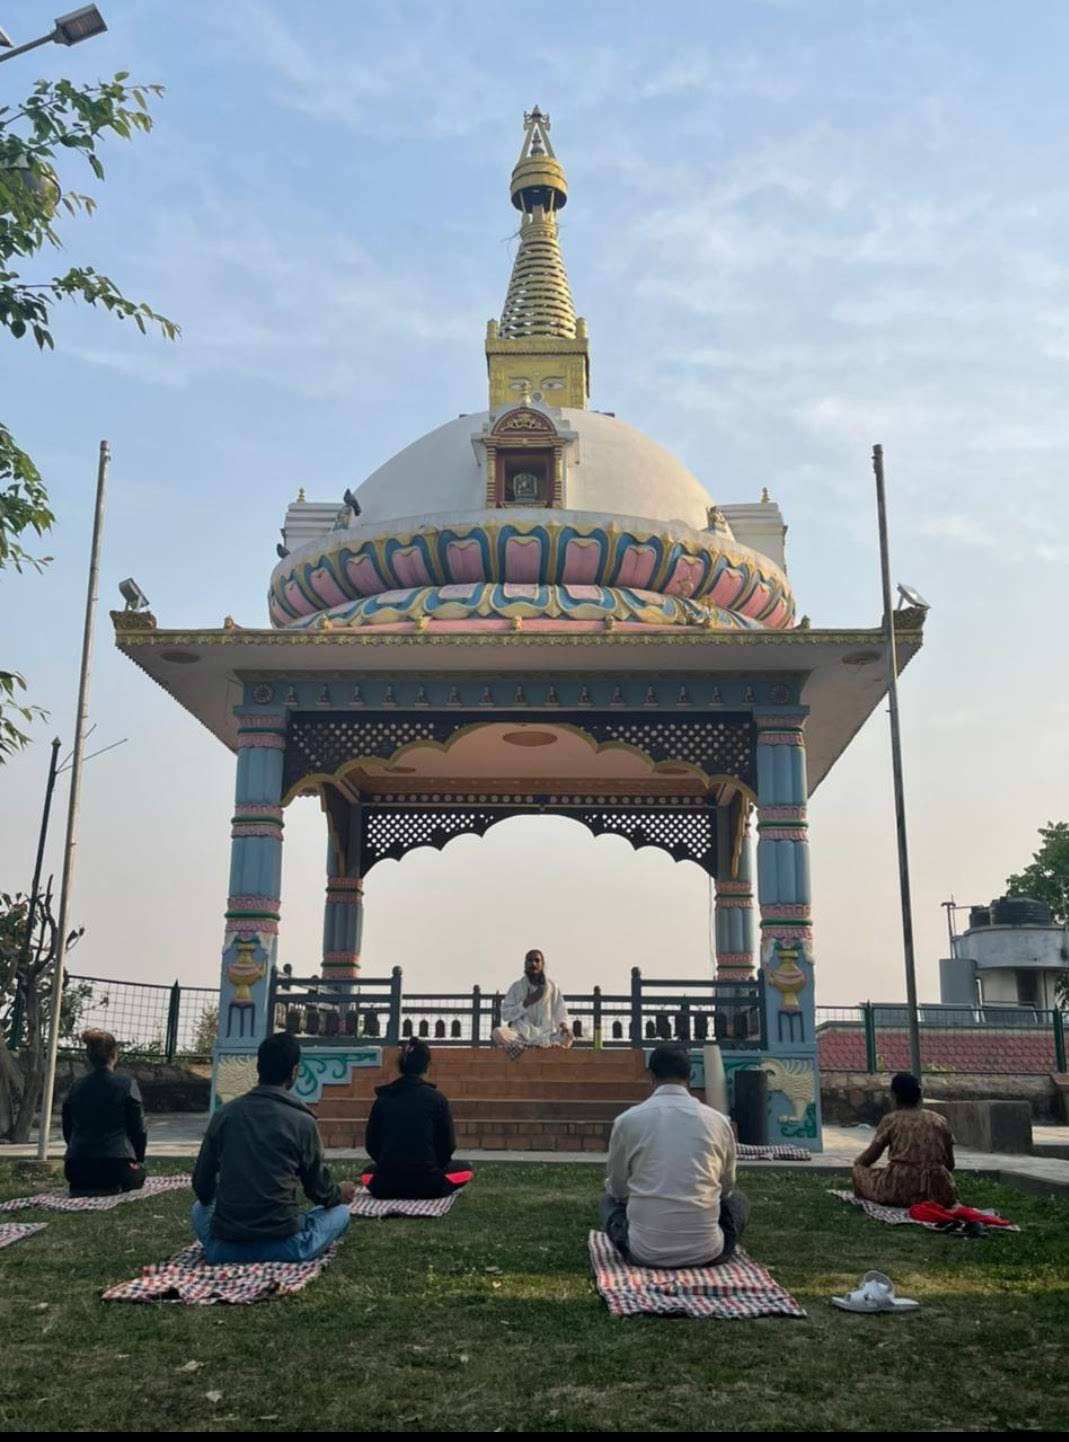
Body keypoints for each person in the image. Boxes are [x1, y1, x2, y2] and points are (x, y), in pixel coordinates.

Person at [191, 1031, 356, 1263]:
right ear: (294, 1071)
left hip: (225, 1248)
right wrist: (340, 1192)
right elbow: (319, 1191)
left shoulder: (225, 1114)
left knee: (200, 1209)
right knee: (340, 1213)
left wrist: (235, 1199)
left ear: (259, 1068)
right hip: (286, 1246)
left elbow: (202, 1187)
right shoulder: (302, 1122)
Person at [601, 1043, 749, 1268]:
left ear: (650, 1076)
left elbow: (617, 1189)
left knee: (608, 1202)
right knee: (738, 1201)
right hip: (708, 1252)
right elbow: (726, 1188)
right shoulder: (718, 1122)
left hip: (644, 1252)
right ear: (690, 1075)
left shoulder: (627, 1121)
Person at [362, 1038, 473, 1198]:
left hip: (386, 1184)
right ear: (426, 1067)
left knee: (368, 1173)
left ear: (401, 1066)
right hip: (429, 1184)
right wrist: (434, 1165)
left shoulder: (383, 1099)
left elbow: (372, 1145)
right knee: (465, 1170)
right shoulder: (437, 1099)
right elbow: (447, 1145)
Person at [62, 1029, 148, 1197]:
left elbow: (68, 1128)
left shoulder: (76, 1087)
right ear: (114, 1054)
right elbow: (139, 1128)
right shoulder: (127, 1084)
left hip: (76, 1169)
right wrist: (138, 1159)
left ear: (89, 1057)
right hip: (116, 1167)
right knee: (139, 1174)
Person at [852, 1071, 957, 1208]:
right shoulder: (939, 1120)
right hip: (938, 1192)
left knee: (859, 1170)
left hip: (900, 1188)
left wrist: (857, 1164)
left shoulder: (891, 1120)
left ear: (894, 1096)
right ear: (920, 1095)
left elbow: (869, 1158)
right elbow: (950, 1164)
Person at [491, 949, 573, 1059]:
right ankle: (530, 1048)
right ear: (525, 964)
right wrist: (525, 1003)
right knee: (498, 1033)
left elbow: (560, 1011)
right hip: (521, 1036)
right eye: (530, 961)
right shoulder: (517, 987)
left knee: (568, 1037)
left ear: (542, 964)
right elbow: (505, 1014)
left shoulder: (552, 987)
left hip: (546, 1035)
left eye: (537, 960)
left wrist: (563, 1025)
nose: (533, 964)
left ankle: (527, 1049)